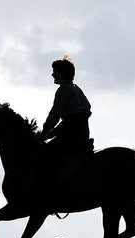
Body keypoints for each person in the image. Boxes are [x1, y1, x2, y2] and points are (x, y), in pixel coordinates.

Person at [38, 56, 93, 187]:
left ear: (61, 73)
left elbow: (54, 115)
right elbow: (70, 119)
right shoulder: (76, 88)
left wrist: (43, 132)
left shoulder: (63, 90)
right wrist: (49, 134)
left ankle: (50, 188)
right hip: (82, 134)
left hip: (71, 136)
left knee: (43, 155)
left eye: (54, 71)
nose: (52, 74)